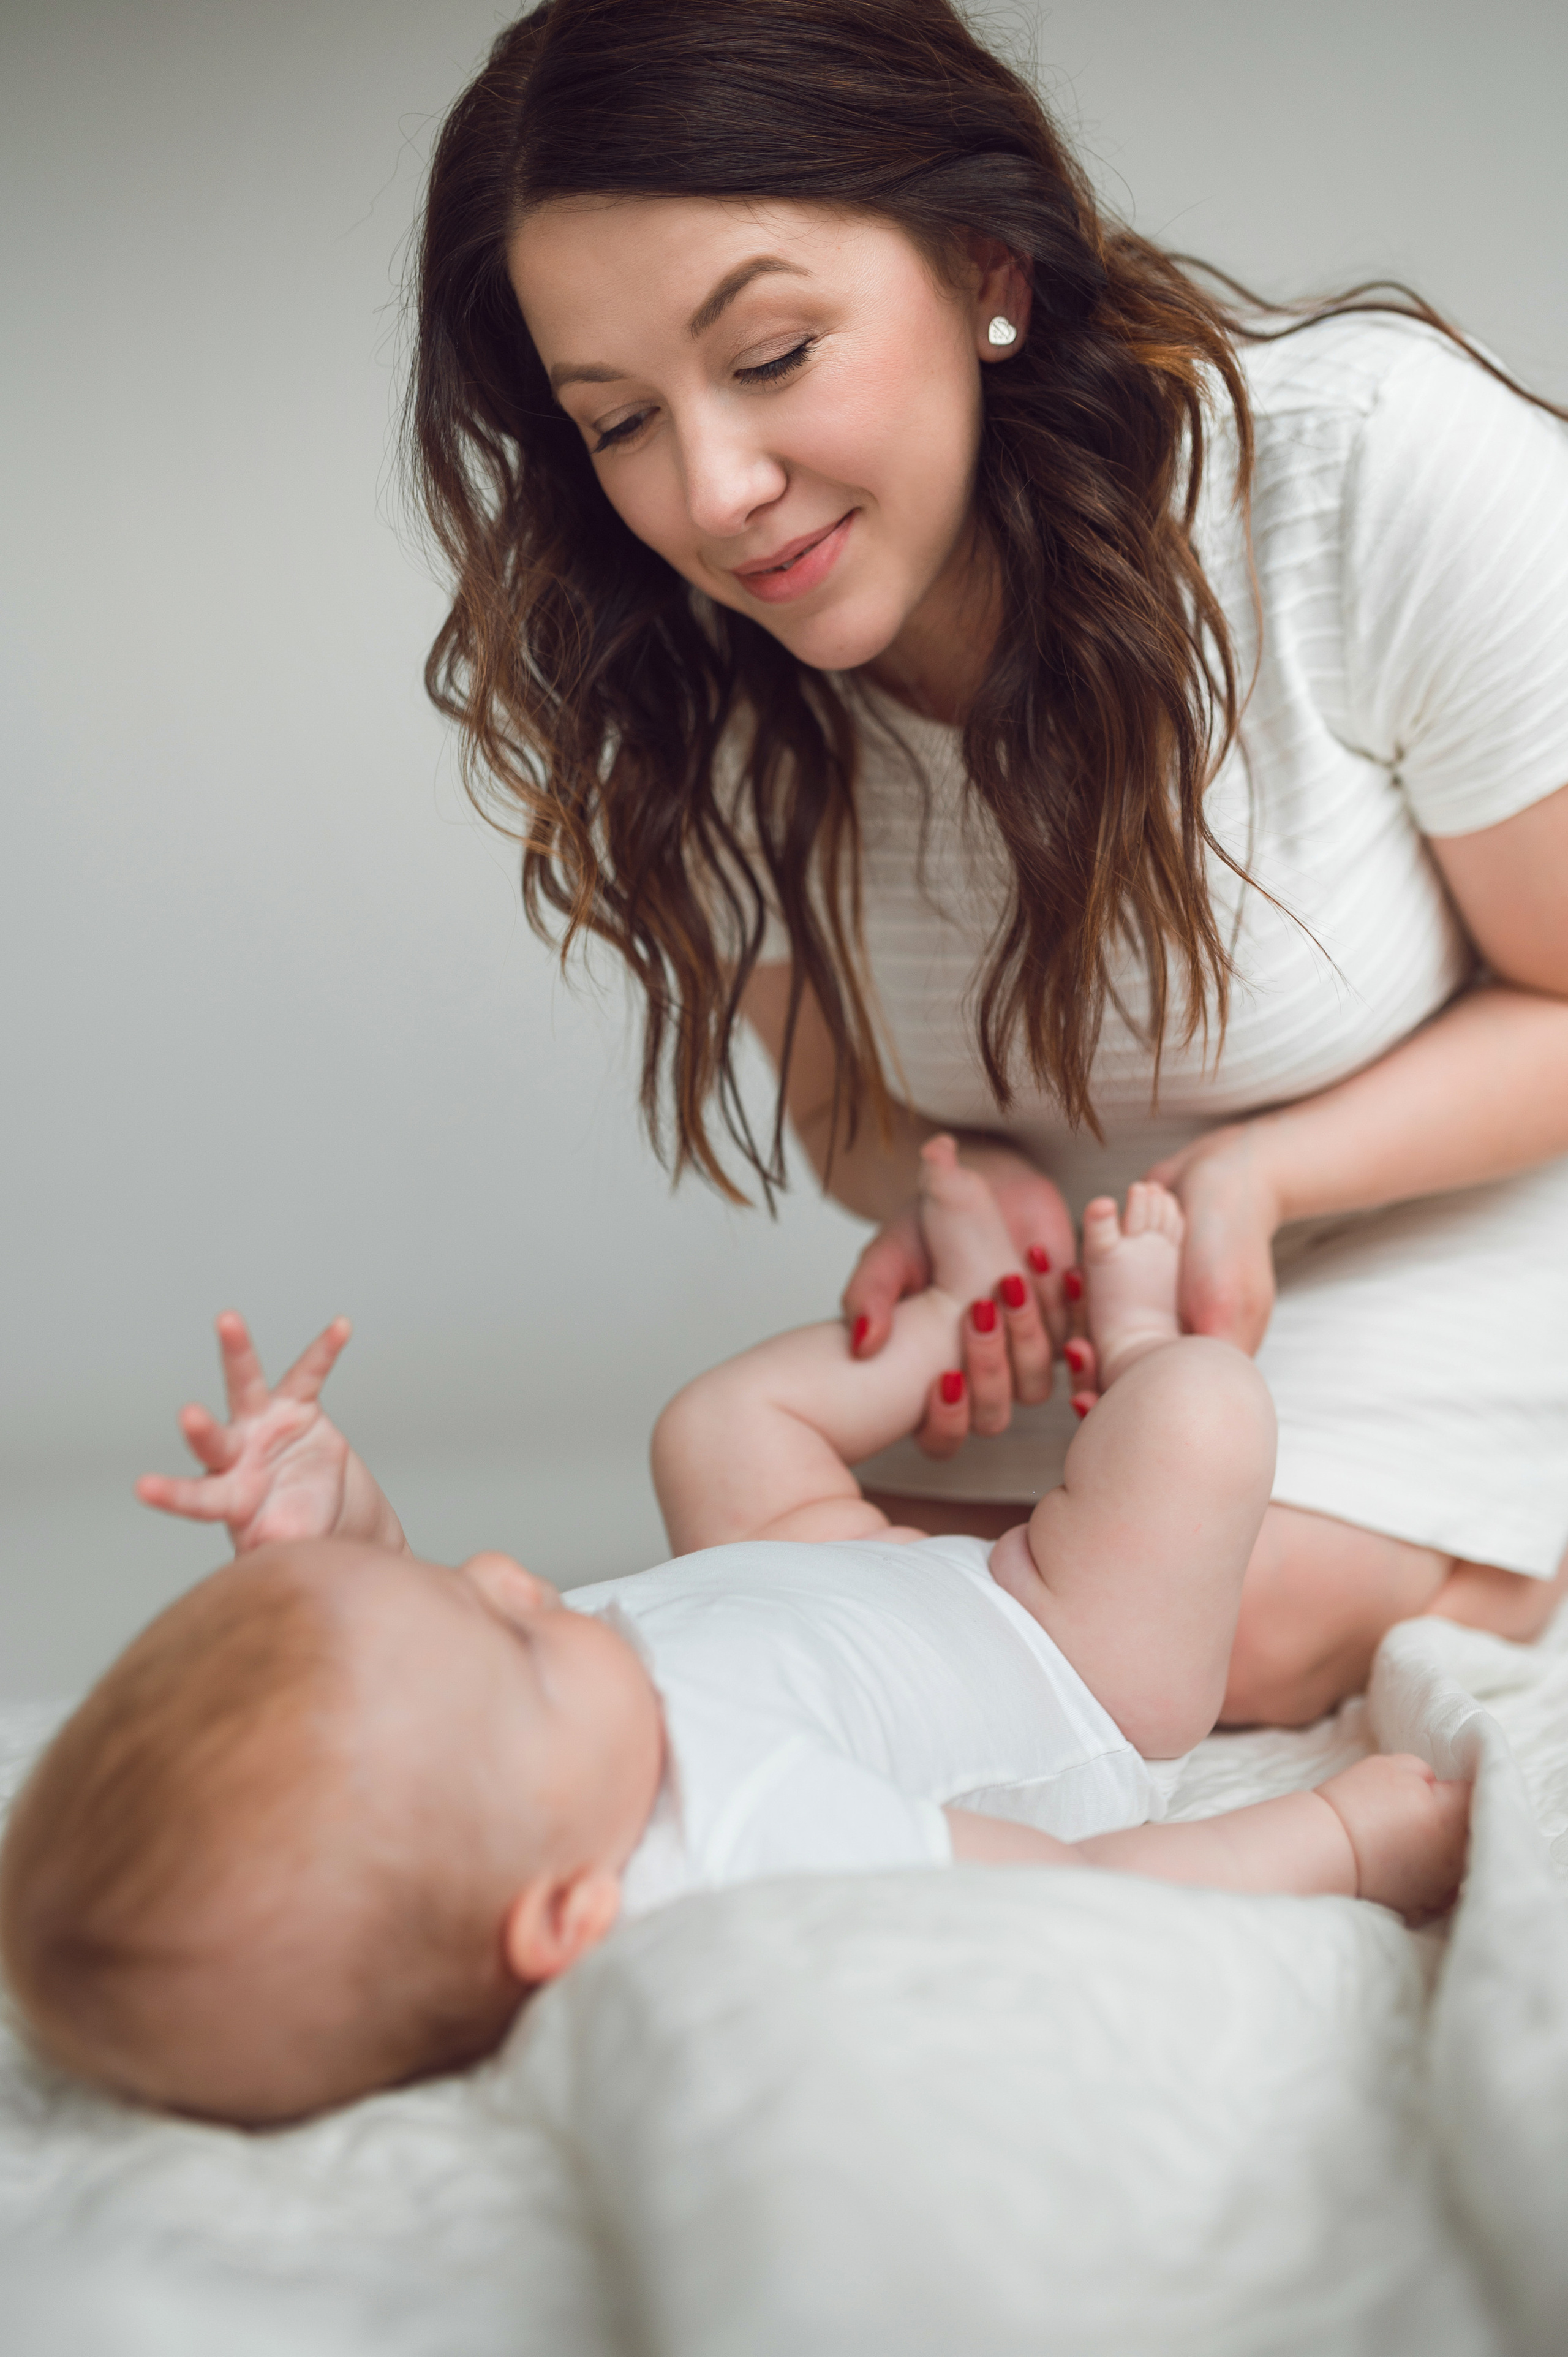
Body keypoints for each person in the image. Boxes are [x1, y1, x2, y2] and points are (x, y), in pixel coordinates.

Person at [409, 0, 1568, 1731]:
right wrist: (959, 1184)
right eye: (617, 420)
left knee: (1202, 1633)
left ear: (986, 262)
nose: (716, 493)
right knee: (838, 1619)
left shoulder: (1359, 474)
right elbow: (843, 1119)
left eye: (773, 354)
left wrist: (1252, 1181)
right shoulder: (686, 687)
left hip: (1477, 1211)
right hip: (1100, 1312)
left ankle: (1515, 1560)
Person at [0, 1160, 1468, 2127]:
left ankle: (964, 1315)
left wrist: (330, 1523)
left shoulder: (515, 1787)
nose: (512, 1576)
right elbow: (1094, 1889)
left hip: (810, 1577)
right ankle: (1137, 1341)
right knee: (1205, 1418)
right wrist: (1341, 1841)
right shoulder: (754, 1849)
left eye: (470, 1591)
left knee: (703, 1432)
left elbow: (418, 1634)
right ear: (567, 1918)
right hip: (1051, 1643)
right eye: (509, 1639)